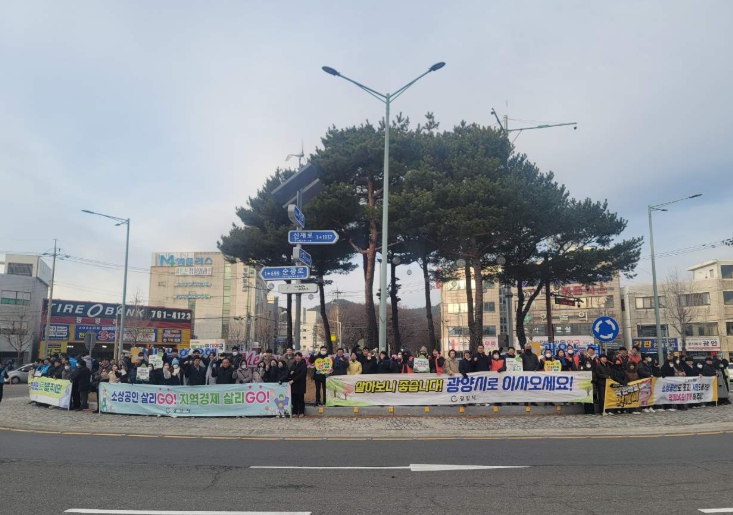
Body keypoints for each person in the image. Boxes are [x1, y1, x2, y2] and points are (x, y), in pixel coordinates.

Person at [289, 352, 307, 418]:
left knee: (300, 398)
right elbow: (290, 372)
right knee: (294, 399)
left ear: (301, 357)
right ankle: (295, 412)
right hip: (294, 384)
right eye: (296, 356)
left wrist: (293, 379)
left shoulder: (303, 364)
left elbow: (302, 374)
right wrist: (291, 373)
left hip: (300, 384)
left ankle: (301, 412)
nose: (297, 357)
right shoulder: (293, 364)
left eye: (299, 356)